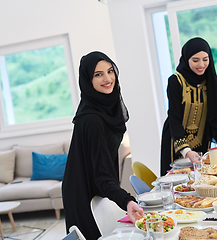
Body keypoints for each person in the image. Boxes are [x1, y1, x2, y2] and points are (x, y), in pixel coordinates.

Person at [62, 51, 144, 240]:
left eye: (110, 71)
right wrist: (127, 200)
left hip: (97, 184)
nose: (107, 79)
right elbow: (102, 175)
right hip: (82, 192)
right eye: (98, 74)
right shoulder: (92, 119)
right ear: (87, 80)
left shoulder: (106, 107)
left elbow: (102, 170)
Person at [160, 37, 217, 177]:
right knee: (179, 183)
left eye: (205, 59)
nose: (201, 64)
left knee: (203, 179)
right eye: (195, 60)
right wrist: (186, 151)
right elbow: (174, 118)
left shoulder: (213, 80)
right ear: (186, 59)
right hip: (176, 142)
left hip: (202, 139)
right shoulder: (175, 81)